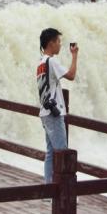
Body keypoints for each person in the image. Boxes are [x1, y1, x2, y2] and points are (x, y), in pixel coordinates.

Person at [36, 28, 78, 183]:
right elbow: (71, 75)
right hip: (54, 113)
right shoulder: (51, 61)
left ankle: (49, 189)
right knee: (62, 153)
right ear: (51, 43)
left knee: (50, 153)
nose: (60, 45)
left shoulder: (41, 63)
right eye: (58, 41)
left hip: (45, 112)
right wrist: (74, 55)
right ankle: (63, 192)